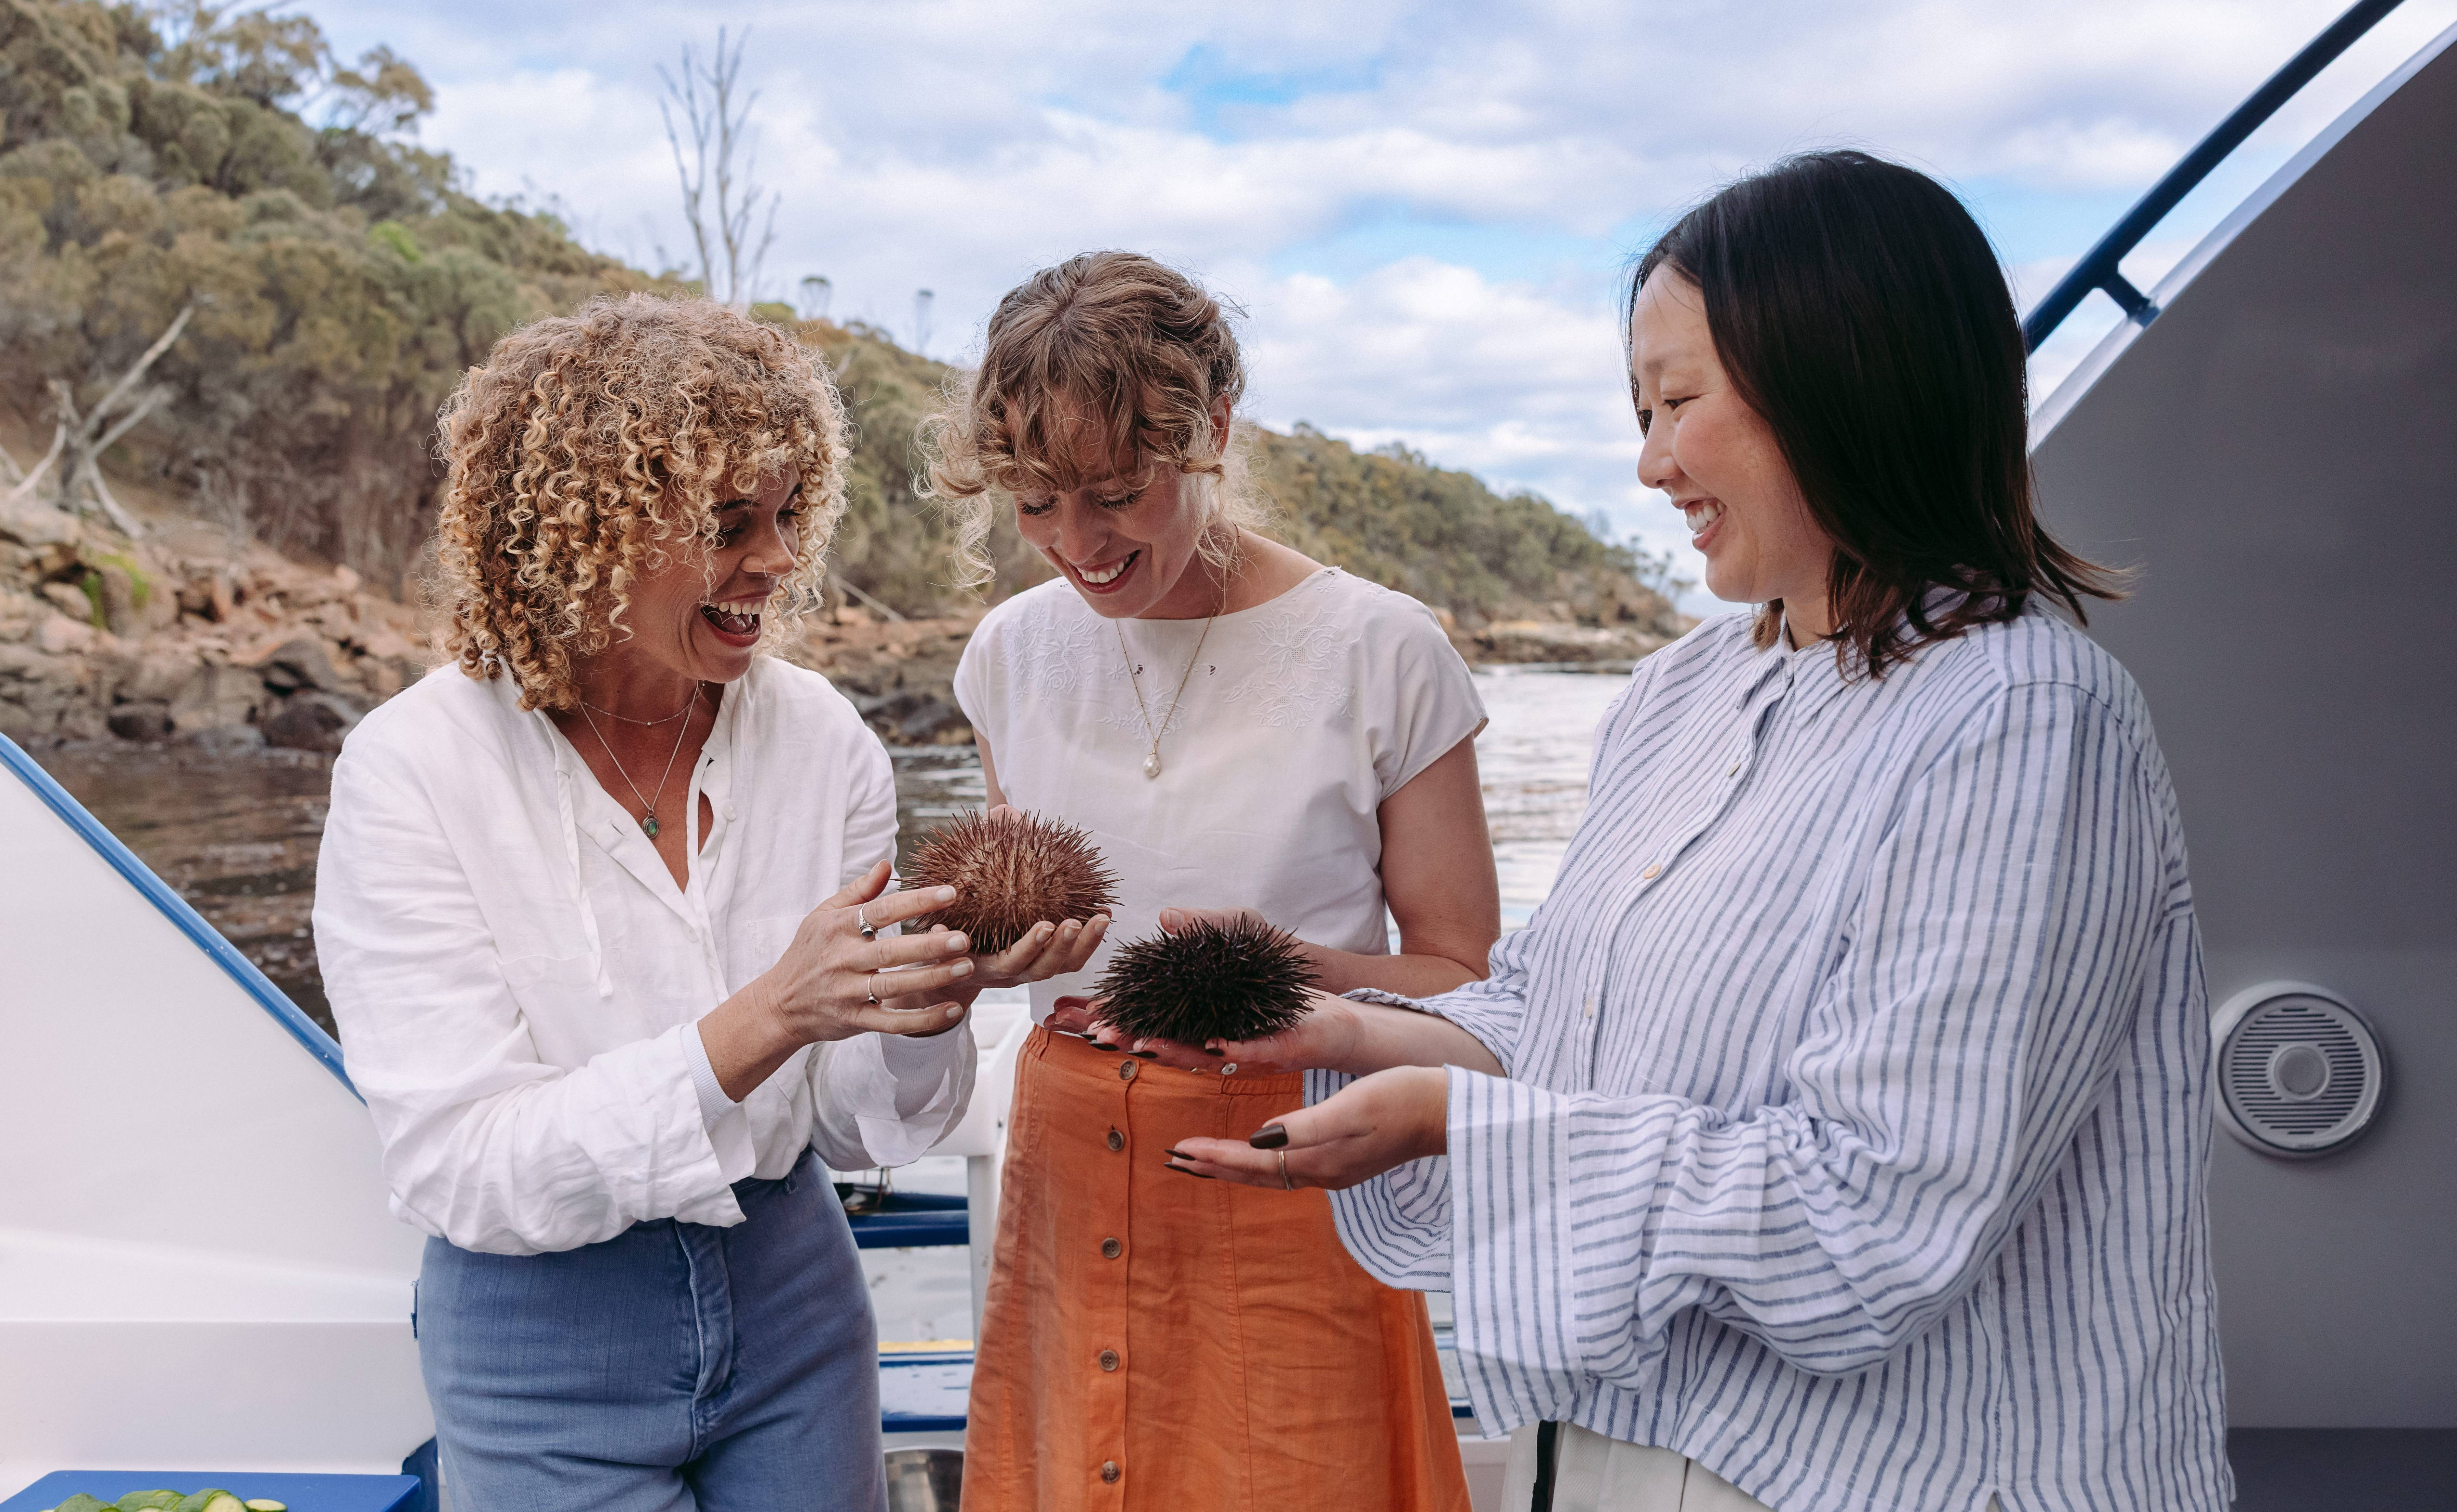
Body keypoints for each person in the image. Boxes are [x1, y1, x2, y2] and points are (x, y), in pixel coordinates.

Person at [1165, 153, 2229, 1512]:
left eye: (1676, 401)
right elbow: (1557, 1005)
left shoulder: (2019, 716)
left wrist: (1464, 1126)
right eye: (1639, 408)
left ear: (1842, 380)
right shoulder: (1679, 689)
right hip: (1615, 1446)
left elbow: (1877, 1216)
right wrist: (1333, 1020)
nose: (1648, 459)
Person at [312, 294, 1092, 1512]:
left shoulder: (823, 740)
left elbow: (849, 1127)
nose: (778, 560)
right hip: (538, 1341)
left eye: (789, 515)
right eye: (731, 523)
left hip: (796, 1298)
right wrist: (769, 1016)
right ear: (589, 530)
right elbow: (460, 1165)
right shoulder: (412, 772)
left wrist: (927, 1008)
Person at [922, 251, 1494, 1510]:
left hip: (1294, 1164)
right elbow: (1019, 910)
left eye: (1117, 493)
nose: (1075, 545)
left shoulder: (1379, 647)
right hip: (1069, 1163)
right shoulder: (1008, 654)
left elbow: (1461, 977)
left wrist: (1282, 971)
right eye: (1033, 502)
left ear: (1213, 432)